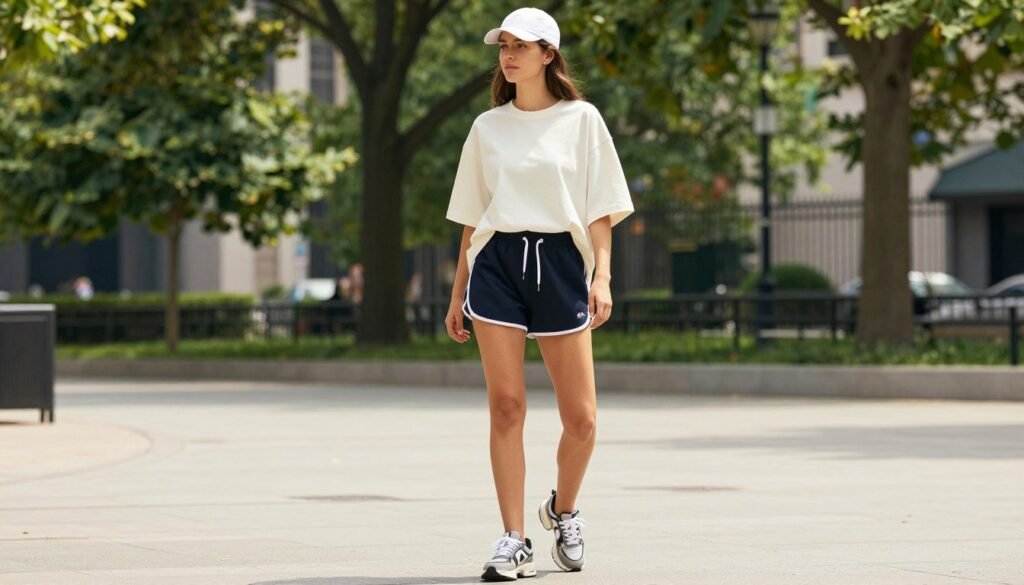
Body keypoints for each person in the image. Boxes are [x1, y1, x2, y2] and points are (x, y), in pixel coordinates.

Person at [443, 7, 634, 582]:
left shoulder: (582, 120)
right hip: (497, 264)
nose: (508, 54)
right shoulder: (487, 127)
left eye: (520, 45)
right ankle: (513, 538)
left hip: (558, 264)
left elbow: (600, 208)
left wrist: (601, 276)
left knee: (582, 420)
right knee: (507, 407)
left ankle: (563, 510)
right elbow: (472, 220)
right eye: (503, 45)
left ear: (548, 54)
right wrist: (457, 296)